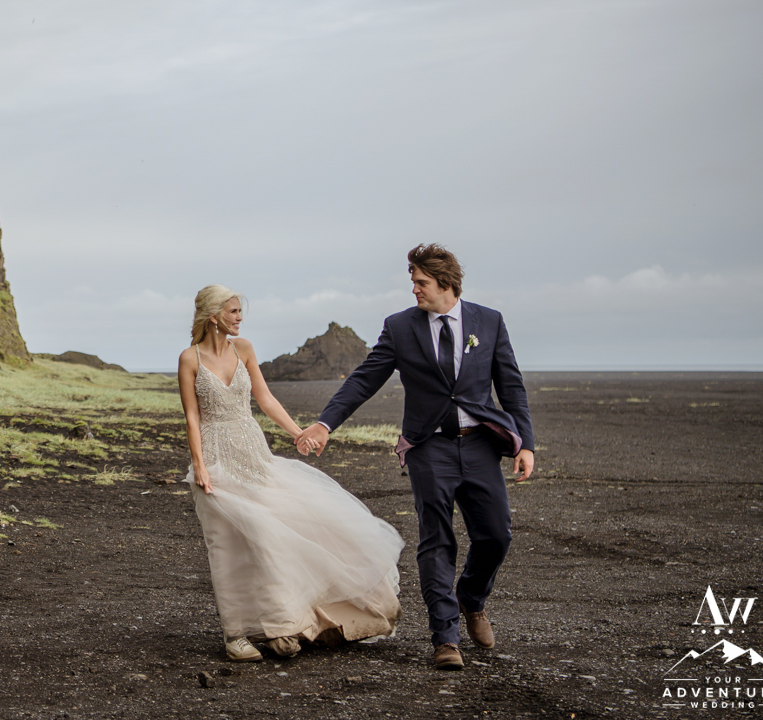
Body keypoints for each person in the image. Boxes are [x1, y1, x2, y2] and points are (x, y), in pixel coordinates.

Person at [297, 244, 535, 671]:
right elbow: (363, 380)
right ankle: (446, 639)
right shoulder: (401, 327)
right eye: (413, 281)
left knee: (496, 535)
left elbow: (511, 385)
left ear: (446, 283)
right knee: (436, 539)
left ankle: (472, 598)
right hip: (429, 447)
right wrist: (324, 424)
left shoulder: (489, 322)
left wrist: (527, 443)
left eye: (421, 282)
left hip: (480, 444)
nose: (414, 290)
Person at [179, 284, 403, 662]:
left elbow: (265, 399)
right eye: (233, 311)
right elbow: (191, 416)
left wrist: (298, 432)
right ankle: (236, 635)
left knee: (271, 537)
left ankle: (285, 624)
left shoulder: (244, 349)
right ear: (214, 315)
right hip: (216, 458)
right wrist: (199, 466)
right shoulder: (190, 359)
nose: (239, 317)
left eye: (239, 311)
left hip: (253, 454)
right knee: (227, 546)